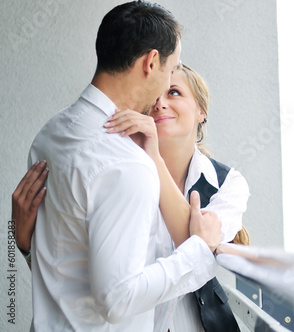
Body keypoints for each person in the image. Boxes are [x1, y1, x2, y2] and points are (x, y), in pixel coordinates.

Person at [22, 2, 223, 331]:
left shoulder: (49, 134)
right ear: (151, 62)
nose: (167, 86)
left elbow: (62, 264)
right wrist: (199, 250)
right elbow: (118, 299)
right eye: (171, 70)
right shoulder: (127, 163)